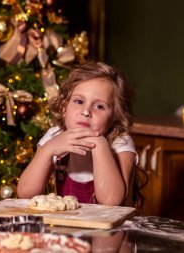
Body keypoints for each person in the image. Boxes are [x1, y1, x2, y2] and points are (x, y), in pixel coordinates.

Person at [17, 62, 139, 206]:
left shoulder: (121, 143)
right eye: (79, 101)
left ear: (114, 117)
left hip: (113, 227)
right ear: (64, 108)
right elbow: (25, 193)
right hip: (68, 226)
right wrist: (48, 150)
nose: (86, 111)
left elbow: (111, 201)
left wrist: (100, 145)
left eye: (99, 106)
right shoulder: (54, 136)